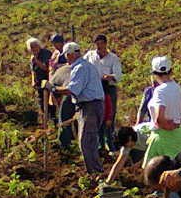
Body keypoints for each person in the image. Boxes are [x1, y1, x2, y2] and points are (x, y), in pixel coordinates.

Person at [142, 56, 181, 198]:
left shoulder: (160, 91)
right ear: (171, 71)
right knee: (179, 175)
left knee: (160, 174)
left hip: (164, 136)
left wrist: (162, 123)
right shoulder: (177, 88)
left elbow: (160, 117)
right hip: (178, 135)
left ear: (154, 74)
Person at [49, 42, 105, 174]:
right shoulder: (85, 66)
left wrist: (53, 88)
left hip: (90, 106)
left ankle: (95, 173)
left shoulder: (80, 68)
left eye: (67, 56)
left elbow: (72, 90)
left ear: (71, 55)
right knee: (87, 140)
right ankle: (94, 171)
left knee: (87, 141)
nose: (66, 59)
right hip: (89, 106)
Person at [84, 34, 122, 152]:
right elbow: (82, 66)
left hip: (108, 88)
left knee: (109, 116)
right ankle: (99, 144)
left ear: (106, 44)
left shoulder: (113, 58)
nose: (99, 46)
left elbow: (118, 76)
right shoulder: (90, 55)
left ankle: (110, 142)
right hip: (94, 88)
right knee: (97, 115)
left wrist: (110, 76)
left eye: (101, 44)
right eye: (97, 44)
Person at [27, 37, 53, 120]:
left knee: (50, 103)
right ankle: (45, 121)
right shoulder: (33, 57)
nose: (33, 49)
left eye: (35, 46)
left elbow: (46, 68)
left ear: (39, 45)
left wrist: (36, 61)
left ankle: (53, 120)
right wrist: (33, 81)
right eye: (31, 47)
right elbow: (32, 70)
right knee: (41, 102)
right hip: (39, 82)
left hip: (47, 80)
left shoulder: (46, 53)